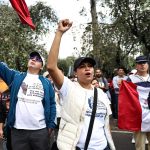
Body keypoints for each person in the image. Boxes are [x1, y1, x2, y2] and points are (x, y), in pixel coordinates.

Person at [47, 19, 116, 150]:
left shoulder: (101, 94)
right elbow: (51, 66)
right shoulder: (69, 88)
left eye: (90, 66)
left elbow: (105, 124)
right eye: (82, 67)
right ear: (75, 73)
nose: (87, 69)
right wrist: (59, 33)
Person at [0, 51, 56, 150]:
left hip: (40, 131)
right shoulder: (16, 77)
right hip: (17, 131)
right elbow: (1, 67)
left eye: (38, 59)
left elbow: (52, 104)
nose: (34, 59)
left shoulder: (47, 83)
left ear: (41, 66)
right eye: (32, 57)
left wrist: (51, 125)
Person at [127, 55, 150, 150]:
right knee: (140, 145)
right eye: (140, 63)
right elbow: (127, 98)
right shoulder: (130, 79)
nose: (142, 65)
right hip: (139, 115)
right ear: (136, 65)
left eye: (144, 63)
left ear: (148, 65)